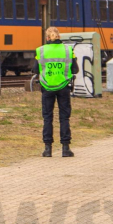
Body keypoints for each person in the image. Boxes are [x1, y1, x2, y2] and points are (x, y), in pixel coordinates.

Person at [35, 26, 79, 158]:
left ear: (47, 37)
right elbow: (75, 69)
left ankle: (47, 149)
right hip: (63, 86)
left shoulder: (41, 50)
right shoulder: (68, 50)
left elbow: (34, 70)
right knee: (64, 117)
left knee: (47, 118)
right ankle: (66, 149)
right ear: (59, 36)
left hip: (47, 87)